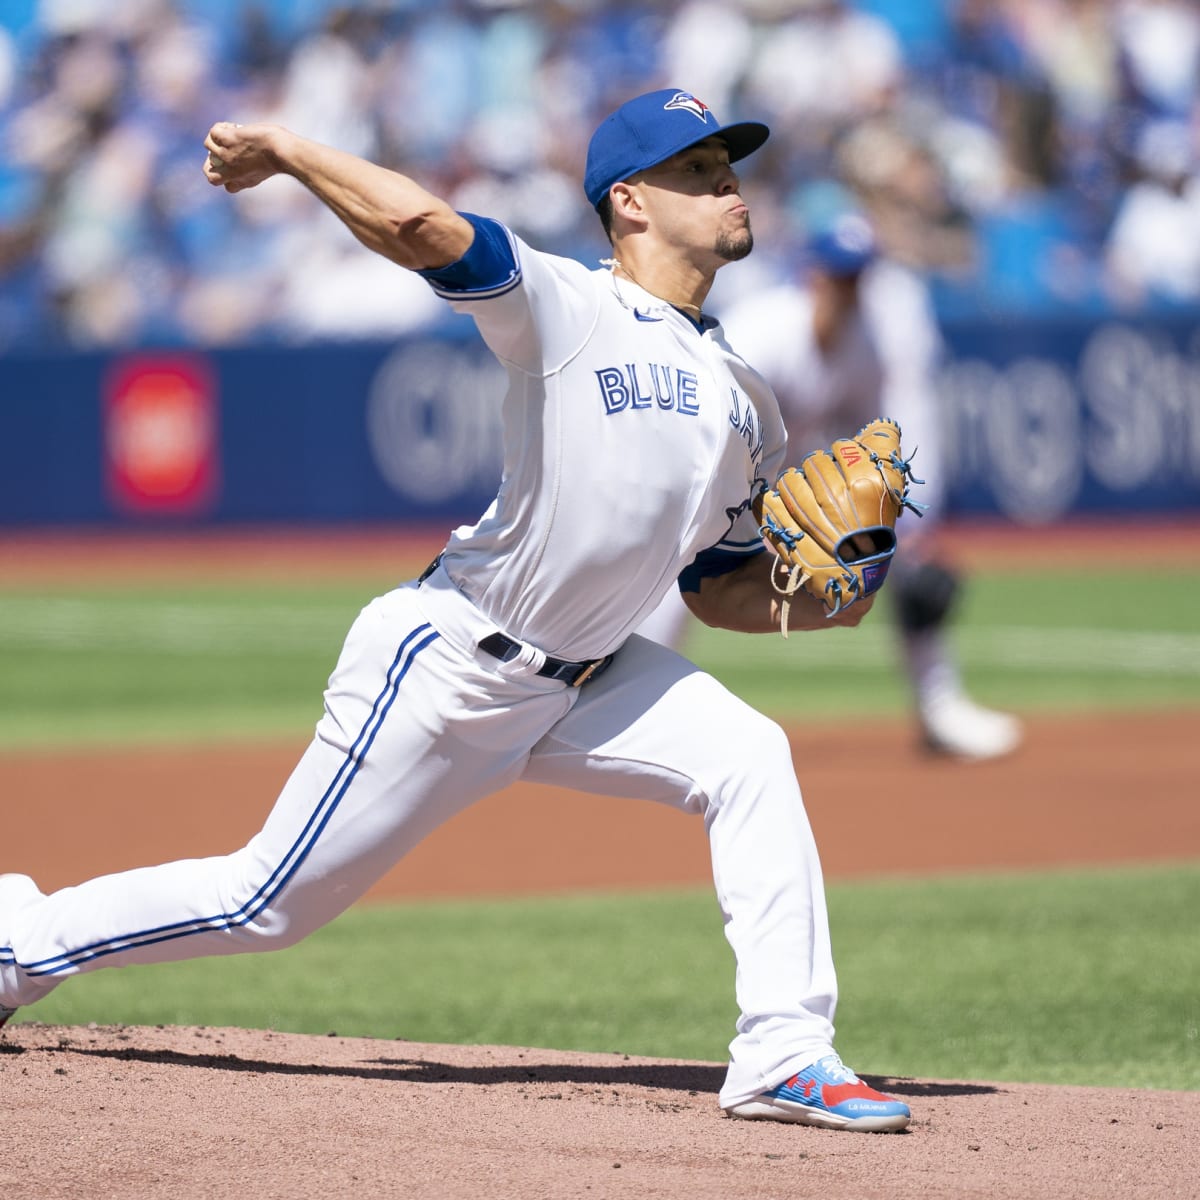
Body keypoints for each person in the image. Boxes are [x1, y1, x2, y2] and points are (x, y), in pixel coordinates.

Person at [0, 89, 911, 1132]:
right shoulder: (572, 307)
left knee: (749, 757)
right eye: (697, 170)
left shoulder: (748, 395)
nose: (728, 183)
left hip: (592, 675)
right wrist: (292, 149)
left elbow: (725, 587)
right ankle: (14, 946)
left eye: (727, 165)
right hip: (455, 662)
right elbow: (422, 229)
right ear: (632, 202)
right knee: (266, 903)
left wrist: (827, 599)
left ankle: (784, 1054)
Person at [638, 211, 1022, 761]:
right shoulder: (763, 334)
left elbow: (887, 440)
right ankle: (623, 701)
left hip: (772, 474)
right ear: (812, 276)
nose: (851, 289)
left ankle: (941, 709)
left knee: (897, 554)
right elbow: (704, 432)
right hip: (700, 464)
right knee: (682, 573)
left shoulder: (868, 342)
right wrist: (759, 516)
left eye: (860, 277)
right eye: (840, 276)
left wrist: (909, 531)